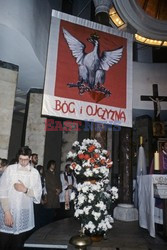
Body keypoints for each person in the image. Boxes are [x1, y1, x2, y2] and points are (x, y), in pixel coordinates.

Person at [0, 146, 42, 250]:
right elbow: (2, 191)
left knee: (18, 245)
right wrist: (7, 212)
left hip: (24, 215)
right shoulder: (10, 169)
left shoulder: (34, 173)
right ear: (18, 157)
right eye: (21, 159)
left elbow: (37, 196)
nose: (23, 162)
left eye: (26, 159)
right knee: (3, 243)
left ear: (30, 158)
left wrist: (25, 190)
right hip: (8, 212)